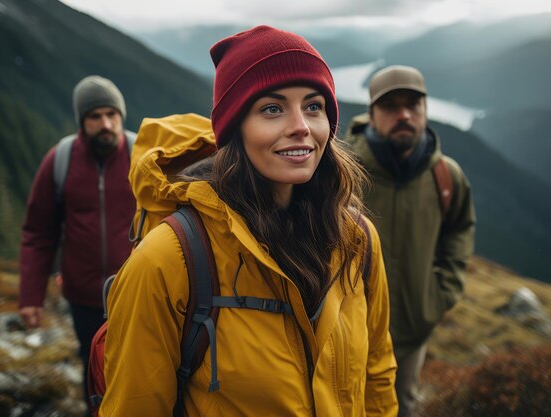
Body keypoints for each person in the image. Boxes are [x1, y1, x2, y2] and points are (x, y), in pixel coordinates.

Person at [100, 26, 398, 416]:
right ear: (235, 128)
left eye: (314, 106)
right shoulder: (170, 259)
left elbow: (377, 373)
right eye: (272, 108)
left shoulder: (357, 240)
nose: (301, 126)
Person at [345, 65, 476, 417]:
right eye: (390, 106)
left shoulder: (446, 176)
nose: (403, 114)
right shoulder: (345, 172)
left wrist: (442, 292)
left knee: (401, 406)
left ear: (425, 109)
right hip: (350, 329)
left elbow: (461, 227)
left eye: (413, 105)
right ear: (371, 113)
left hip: (414, 330)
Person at [19, 75, 136, 413]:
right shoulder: (60, 161)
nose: (106, 124)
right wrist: (30, 297)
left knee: (139, 367)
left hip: (134, 291)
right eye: (95, 116)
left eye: (112, 115)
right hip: (83, 296)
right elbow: (39, 233)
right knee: (93, 366)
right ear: (81, 122)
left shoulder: (141, 155)